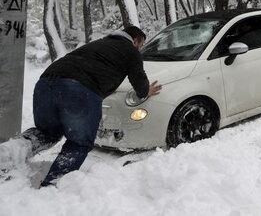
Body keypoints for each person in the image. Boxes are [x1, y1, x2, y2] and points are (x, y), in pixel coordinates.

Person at [0, 26, 162, 187]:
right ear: (135, 40)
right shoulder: (130, 50)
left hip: (45, 84)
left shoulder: (100, 43)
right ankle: (52, 186)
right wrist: (147, 91)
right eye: (141, 45)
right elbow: (140, 85)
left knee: (46, 133)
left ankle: (8, 153)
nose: (140, 49)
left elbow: (94, 67)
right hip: (78, 90)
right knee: (79, 142)